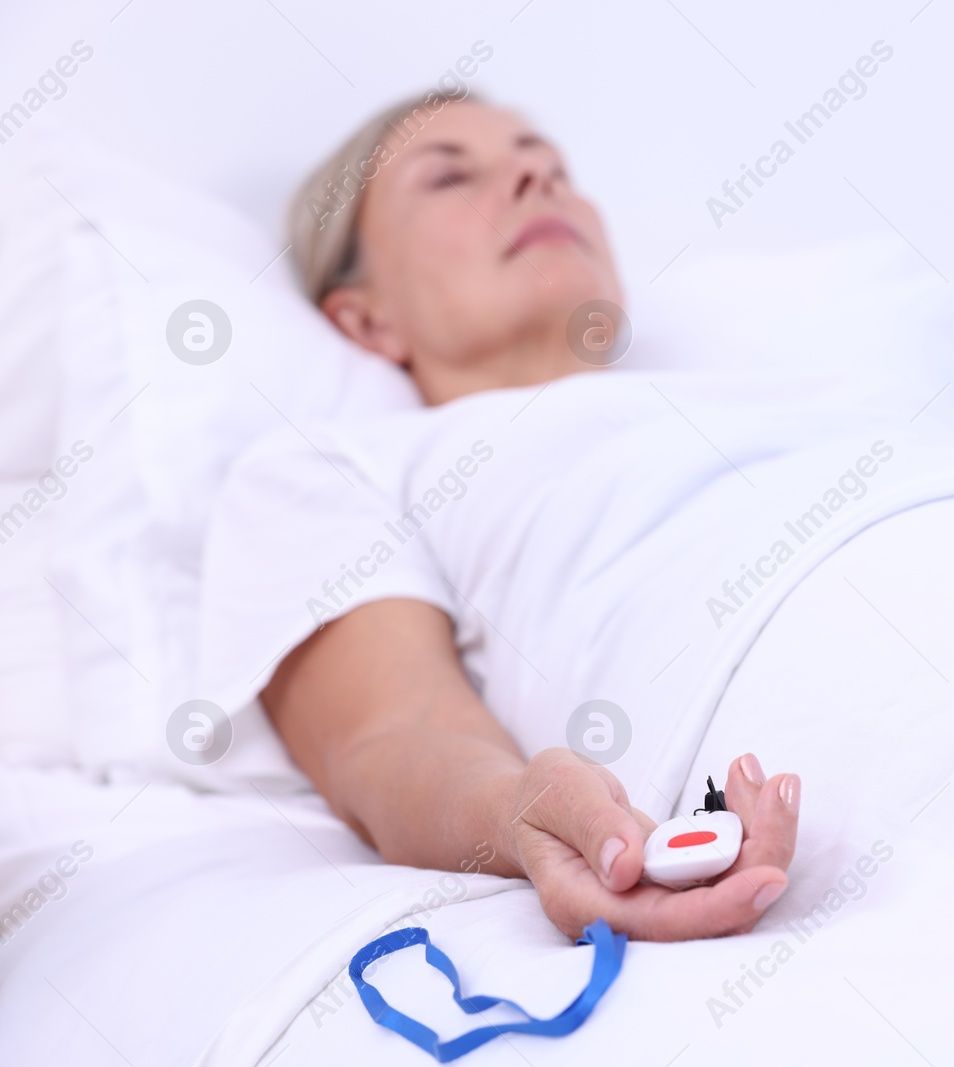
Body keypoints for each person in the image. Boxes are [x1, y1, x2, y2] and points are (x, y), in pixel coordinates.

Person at [267, 92, 800, 942]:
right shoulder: (343, 467)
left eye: (553, 166)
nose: (533, 176)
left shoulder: (790, 397)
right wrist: (524, 810)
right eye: (449, 175)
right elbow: (390, 732)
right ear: (364, 315)